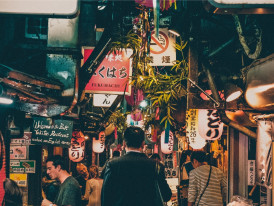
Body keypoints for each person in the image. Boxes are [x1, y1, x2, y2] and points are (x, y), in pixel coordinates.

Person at [101, 126, 172, 206]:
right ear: (143, 144)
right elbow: (166, 196)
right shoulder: (156, 166)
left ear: (124, 143)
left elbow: (106, 198)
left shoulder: (112, 165)